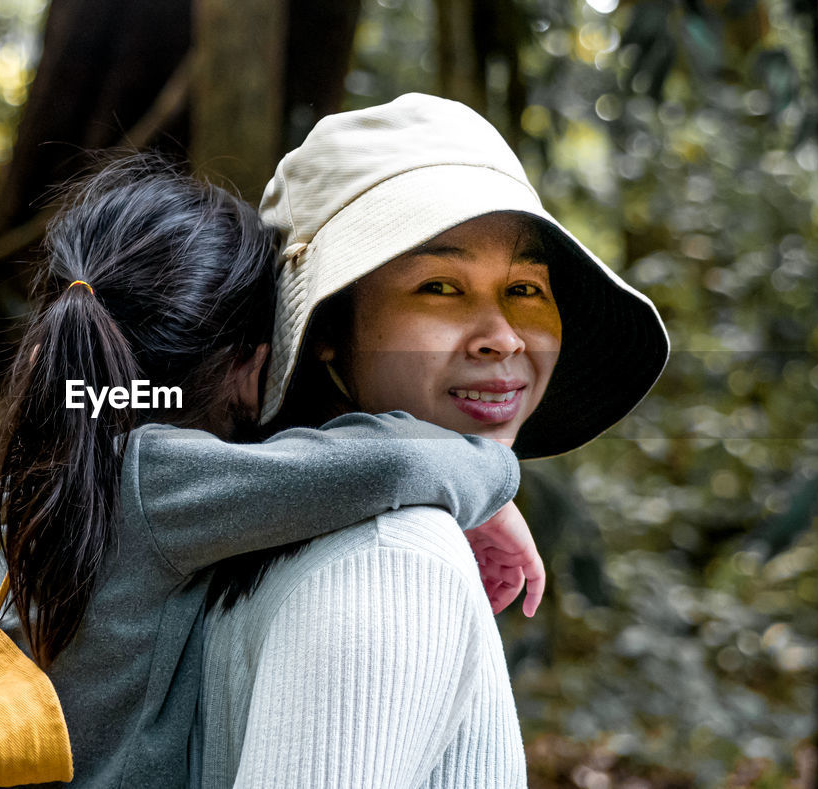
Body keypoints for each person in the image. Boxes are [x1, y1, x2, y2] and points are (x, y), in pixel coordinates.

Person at [0, 154, 547, 787]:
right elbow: (383, 464)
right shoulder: (151, 479)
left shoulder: (59, 461)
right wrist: (491, 480)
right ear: (251, 369)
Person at [196, 93, 670, 788]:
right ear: (325, 330)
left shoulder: (249, 528)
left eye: (525, 288)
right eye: (442, 286)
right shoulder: (392, 562)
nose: (503, 335)